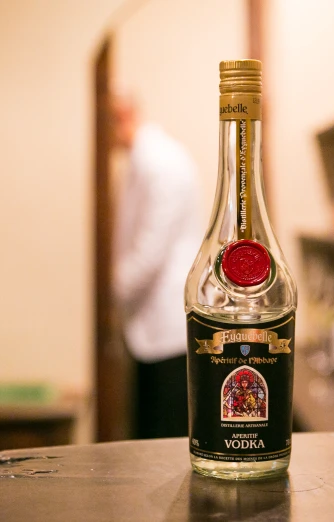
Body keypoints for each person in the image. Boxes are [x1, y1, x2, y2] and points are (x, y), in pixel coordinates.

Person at [111, 94, 202, 439]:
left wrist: (112, 293)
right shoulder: (145, 160)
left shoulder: (159, 161)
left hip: (167, 321)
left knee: (163, 437)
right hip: (151, 319)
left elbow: (150, 250)